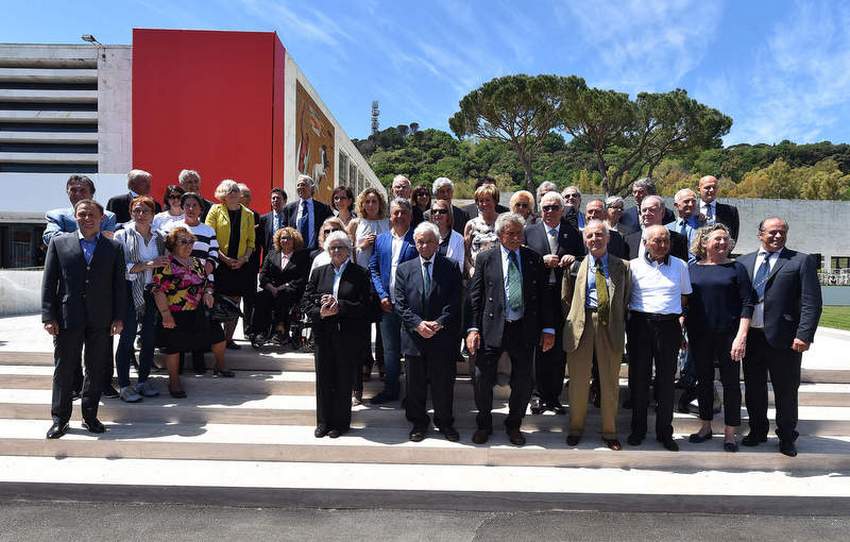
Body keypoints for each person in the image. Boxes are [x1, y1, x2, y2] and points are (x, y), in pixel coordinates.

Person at [466, 213, 554, 446]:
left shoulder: (533, 259)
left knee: (524, 381)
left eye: (519, 233)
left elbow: (544, 296)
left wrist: (548, 328)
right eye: (510, 233)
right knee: (481, 379)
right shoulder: (485, 258)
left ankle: (514, 424)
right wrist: (472, 328)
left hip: (523, 328)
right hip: (491, 328)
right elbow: (475, 297)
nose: (516, 238)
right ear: (500, 235)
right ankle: (484, 424)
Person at [739, 217, 822, 457]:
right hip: (752, 337)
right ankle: (757, 431)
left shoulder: (800, 261)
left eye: (782, 232)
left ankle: (786, 436)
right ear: (760, 234)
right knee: (754, 388)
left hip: (785, 339)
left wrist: (804, 335)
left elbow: (811, 302)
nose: (777, 236)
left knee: (786, 390)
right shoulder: (744, 262)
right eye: (772, 232)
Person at [42, 199, 125, 439]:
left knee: (96, 368)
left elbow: (119, 286)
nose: (87, 218)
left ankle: (90, 416)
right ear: (75, 216)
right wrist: (48, 316)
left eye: (92, 215)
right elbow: (49, 283)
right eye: (82, 214)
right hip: (68, 316)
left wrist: (119, 317)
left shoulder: (114, 247)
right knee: (65, 368)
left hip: (101, 318)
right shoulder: (59, 243)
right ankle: (60, 419)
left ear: (101, 218)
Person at [561, 220, 631, 450]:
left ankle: (610, 432)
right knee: (578, 381)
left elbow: (626, 298)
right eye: (590, 236)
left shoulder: (622, 266)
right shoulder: (574, 266)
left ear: (608, 237)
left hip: (610, 326)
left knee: (610, 381)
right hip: (581, 325)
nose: (594, 239)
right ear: (584, 240)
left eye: (599, 235)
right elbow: (566, 298)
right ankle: (576, 428)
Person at [686, 224, 753, 452]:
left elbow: (747, 304)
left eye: (726, 239)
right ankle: (705, 426)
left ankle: (730, 432)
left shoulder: (737, 268)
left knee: (731, 384)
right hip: (699, 335)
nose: (723, 243)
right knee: (703, 381)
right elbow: (685, 302)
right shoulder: (691, 269)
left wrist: (741, 336)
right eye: (718, 239)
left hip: (729, 336)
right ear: (704, 243)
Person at [394, 222, 463, 442]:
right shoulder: (404, 269)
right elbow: (400, 304)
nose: (424, 246)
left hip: (441, 337)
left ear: (437, 243)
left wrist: (439, 323)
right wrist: (418, 324)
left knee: (443, 384)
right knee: (414, 386)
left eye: (429, 241)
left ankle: (444, 423)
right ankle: (418, 423)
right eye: (420, 242)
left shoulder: (450, 266)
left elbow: (455, 300)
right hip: (415, 337)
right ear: (415, 243)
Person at [627, 225, 692, 451]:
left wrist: (676, 318)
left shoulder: (680, 265)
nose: (663, 245)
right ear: (645, 243)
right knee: (639, 379)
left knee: (666, 381)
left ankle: (665, 432)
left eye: (666, 241)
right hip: (640, 325)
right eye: (657, 241)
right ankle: (638, 429)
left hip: (668, 327)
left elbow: (684, 296)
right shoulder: (632, 267)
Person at [302, 231, 372, 438]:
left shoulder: (359, 273)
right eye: (332, 248)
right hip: (323, 332)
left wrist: (339, 306)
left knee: (343, 379)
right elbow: (306, 300)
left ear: (348, 250)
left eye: (340, 247)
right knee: (324, 378)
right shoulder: (319, 272)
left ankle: (340, 424)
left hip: (347, 334)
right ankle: (323, 422)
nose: (336, 251)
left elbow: (364, 305)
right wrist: (320, 312)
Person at [523, 191, 584, 415]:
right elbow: (520, 262)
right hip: (537, 297)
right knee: (538, 348)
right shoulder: (529, 232)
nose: (550, 211)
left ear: (562, 210)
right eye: (546, 207)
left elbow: (583, 260)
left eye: (554, 207)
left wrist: (573, 260)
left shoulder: (572, 233)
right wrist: (541, 261)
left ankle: (554, 396)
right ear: (540, 210)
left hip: (562, 298)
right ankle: (537, 395)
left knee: (559, 349)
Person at [152, 227, 231, 398]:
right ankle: (173, 381)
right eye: (184, 242)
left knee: (218, 336)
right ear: (173, 244)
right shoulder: (166, 264)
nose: (189, 245)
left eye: (191, 242)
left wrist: (209, 293)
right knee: (173, 347)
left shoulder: (196, 262)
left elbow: (207, 283)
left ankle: (220, 365)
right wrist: (166, 314)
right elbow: (158, 291)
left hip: (198, 311)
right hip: (175, 313)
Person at [113, 196, 168, 402]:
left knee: (148, 340)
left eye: (145, 211)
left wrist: (157, 267)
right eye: (136, 210)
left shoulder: (160, 237)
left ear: (153, 214)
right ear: (131, 213)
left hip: (152, 292)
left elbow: (163, 266)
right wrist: (148, 264)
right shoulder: (121, 235)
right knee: (126, 340)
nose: (141, 214)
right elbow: (121, 268)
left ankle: (143, 381)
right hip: (128, 292)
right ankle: (125, 385)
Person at [162, 192, 220, 374]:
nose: (191, 208)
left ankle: (198, 362)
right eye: (187, 205)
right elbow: (167, 253)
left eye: (195, 205)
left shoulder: (208, 230)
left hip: (202, 284)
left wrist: (201, 276)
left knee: (199, 323)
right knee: (178, 327)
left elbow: (214, 255)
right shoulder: (172, 227)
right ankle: (176, 368)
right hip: (176, 287)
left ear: (201, 209)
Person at [368, 197, 418, 404]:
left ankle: (412, 393)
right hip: (387, 305)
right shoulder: (380, 240)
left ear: (410, 216)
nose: (399, 216)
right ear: (390, 215)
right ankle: (391, 389)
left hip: (410, 306)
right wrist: (382, 295)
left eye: (403, 213)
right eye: (395, 212)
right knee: (389, 350)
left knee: (411, 350)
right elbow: (374, 268)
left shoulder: (417, 240)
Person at [346, 187, 390, 392]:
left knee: (383, 326)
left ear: (380, 204)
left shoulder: (387, 223)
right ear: (362, 204)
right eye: (368, 201)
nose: (371, 205)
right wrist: (361, 245)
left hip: (381, 280)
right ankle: (366, 361)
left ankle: (382, 361)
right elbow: (346, 250)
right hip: (362, 279)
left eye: (375, 201)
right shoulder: (356, 224)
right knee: (362, 326)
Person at [205, 179, 256, 349]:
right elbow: (210, 237)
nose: (233, 192)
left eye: (235, 190)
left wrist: (243, 259)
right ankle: (216, 338)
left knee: (235, 301)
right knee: (217, 301)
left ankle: (228, 339)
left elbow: (251, 242)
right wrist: (224, 259)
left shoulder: (248, 214)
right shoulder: (215, 210)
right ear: (223, 195)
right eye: (229, 190)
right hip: (219, 264)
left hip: (240, 265)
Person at [253, 227, 309, 344]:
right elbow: (263, 275)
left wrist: (284, 286)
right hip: (271, 289)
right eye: (283, 238)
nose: (285, 241)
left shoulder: (301, 257)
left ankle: (280, 331)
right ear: (279, 240)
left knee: (284, 297)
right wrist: (271, 287)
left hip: (291, 290)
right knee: (261, 297)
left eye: (289, 238)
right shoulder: (272, 254)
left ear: (295, 241)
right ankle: (261, 332)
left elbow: (302, 278)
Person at [44, 175, 117, 246]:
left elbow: (108, 243)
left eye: (83, 190)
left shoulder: (108, 217)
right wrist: (84, 237)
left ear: (92, 194)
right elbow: (49, 237)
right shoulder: (56, 216)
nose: (78, 194)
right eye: (73, 190)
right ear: (67, 192)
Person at [624, 195, 688, 261]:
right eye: (644, 210)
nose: (647, 213)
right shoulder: (629, 240)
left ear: (662, 213)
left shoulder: (678, 240)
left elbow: (681, 268)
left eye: (652, 210)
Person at [282, 174, 333, 251]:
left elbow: (332, 226)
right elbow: (284, 229)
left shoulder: (323, 208)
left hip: (316, 252)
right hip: (295, 252)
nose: (299, 187)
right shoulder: (289, 209)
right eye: (298, 185)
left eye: (303, 184)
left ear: (312, 188)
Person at [238, 182, 263, 338]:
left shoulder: (255, 215)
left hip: (250, 264)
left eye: (249, 196)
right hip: (232, 263)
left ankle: (248, 329)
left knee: (249, 298)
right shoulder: (228, 214)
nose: (247, 198)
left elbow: (258, 241)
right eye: (244, 195)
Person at [463, 183, 501, 278]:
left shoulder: (503, 222)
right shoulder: (471, 225)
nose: (484, 204)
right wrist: (470, 269)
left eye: (488, 200)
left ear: (495, 201)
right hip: (477, 274)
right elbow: (465, 252)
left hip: (499, 273)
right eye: (481, 201)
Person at [698, 175, 740, 242]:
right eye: (707, 187)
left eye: (714, 187)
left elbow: (733, 237)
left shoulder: (730, 211)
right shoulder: (692, 210)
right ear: (698, 189)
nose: (711, 190)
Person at [667, 188, 704, 261]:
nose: (691, 204)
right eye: (686, 201)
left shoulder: (704, 225)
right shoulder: (668, 228)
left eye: (693, 201)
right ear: (676, 205)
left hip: (699, 268)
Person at [429, 198, 465, 272]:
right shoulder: (426, 236)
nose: (437, 214)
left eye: (442, 211)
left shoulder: (458, 238)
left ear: (448, 215)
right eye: (434, 211)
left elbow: (460, 265)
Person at [258, 188, 288, 260]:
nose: (275, 200)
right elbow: (261, 239)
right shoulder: (264, 219)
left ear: (285, 201)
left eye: (278, 198)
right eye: (273, 198)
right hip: (269, 256)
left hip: (286, 256)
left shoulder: (289, 217)